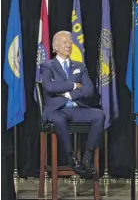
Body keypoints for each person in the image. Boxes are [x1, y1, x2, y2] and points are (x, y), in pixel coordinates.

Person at [40, 30, 105, 178]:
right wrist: (74, 85)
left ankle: (87, 158)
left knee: (99, 115)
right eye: (64, 42)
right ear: (55, 46)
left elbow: (89, 90)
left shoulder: (80, 66)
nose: (69, 45)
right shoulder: (47, 66)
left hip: (76, 109)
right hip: (56, 110)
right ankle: (71, 158)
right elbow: (49, 87)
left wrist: (69, 94)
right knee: (59, 119)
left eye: (70, 42)